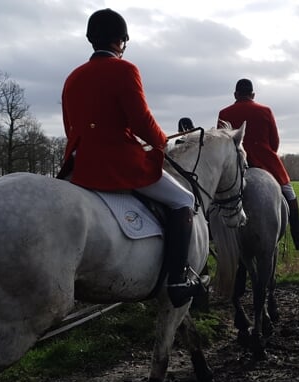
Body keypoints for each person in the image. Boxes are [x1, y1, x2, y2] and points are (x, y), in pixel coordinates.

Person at [60, 8, 204, 308]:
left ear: (90, 39)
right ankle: (177, 279)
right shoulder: (125, 70)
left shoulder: (72, 76)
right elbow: (140, 120)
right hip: (116, 164)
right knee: (183, 200)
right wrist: (160, 140)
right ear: (121, 41)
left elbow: (69, 126)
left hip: (79, 165)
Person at [218, 78, 299, 250]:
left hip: (235, 165)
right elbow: (274, 142)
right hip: (266, 162)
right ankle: (298, 236)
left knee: (216, 198)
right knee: (290, 194)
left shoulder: (224, 113)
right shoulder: (265, 111)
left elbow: (222, 143)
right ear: (253, 94)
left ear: (235, 94)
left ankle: (211, 233)